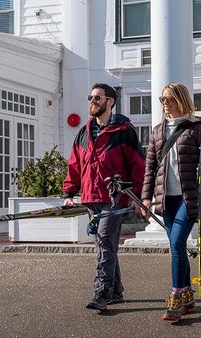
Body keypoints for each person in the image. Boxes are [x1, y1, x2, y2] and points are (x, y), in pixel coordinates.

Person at [141, 82, 201, 322]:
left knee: (176, 244)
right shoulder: (157, 131)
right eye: (162, 100)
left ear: (181, 100)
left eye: (170, 99)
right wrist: (146, 197)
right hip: (165, 198)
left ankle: (176, 296)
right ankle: (187, 294)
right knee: (177, 247)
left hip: (189, 196)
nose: (165, 104)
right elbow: (150, 168)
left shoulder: (198, 127)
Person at [61, 82, 145, 312]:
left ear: (110, 101)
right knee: (103, 244)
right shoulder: (84, 132)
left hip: (115, 198)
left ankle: (102, 293)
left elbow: (138, 165)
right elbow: (75, 165)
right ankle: (116, 290)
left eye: (97, 97)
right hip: (90, 197)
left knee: (105, 243)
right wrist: (69, 192)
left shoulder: (124, 131)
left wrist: (138, 197)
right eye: (90, 97)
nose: (92, 101)